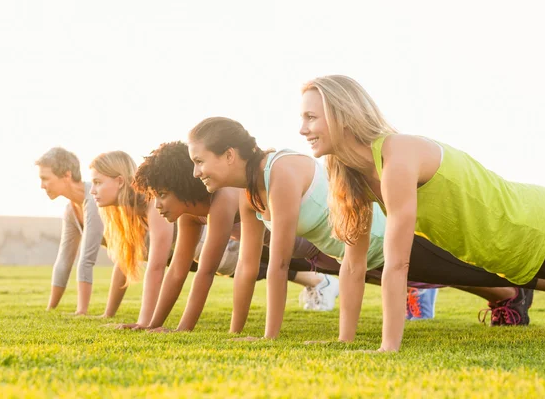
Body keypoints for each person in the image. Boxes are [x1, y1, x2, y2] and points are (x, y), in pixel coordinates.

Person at [186, 118, 545, 339]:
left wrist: (268, 338)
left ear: (229, 155)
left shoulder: (278, 171)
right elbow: (250, 268)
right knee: (477, 271)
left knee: (495, 265)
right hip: (363, 253)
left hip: (391, 236)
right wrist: (235, 334)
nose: (196, 172)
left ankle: (522, 292)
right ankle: (513, 296)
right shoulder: (250, 196)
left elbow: (279, 265)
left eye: (200, 161)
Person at [299, 74, 545, 351]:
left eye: (311, 117)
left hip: (541, 226)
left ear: (343, 116)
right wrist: (345, 340)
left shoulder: (397, 154)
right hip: (513, 260)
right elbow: (353, 264)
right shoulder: (354, 177)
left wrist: (388, 347)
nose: (302, 129)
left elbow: (398, 264)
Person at [129, 141, 340, 334]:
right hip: (302, 252)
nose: (157, 206)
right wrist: (152, 325)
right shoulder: (190, 215)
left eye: (163, 195)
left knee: (369, 269)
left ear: (182, 188)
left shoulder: (223, 198)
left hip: (317, 243)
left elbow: (206, 271)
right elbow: (177, 270)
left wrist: (182, 330)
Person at [89, 150, 175, 328]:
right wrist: (108, 314)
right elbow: (123, 262)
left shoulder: (153, 201)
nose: (92, 191)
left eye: (97, 183)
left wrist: (144, 323)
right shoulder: (128, 211)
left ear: (120, 181)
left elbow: (157, 267)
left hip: (230, 250)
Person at [36, 147, 104, 315]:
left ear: (66, 175)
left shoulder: (94, 199)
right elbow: (64, 260)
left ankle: (82, 310)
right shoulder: (71, 210)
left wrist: (81, 311)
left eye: (45, 179)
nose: (42, 186)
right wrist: (50, 309)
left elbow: (87, 259)